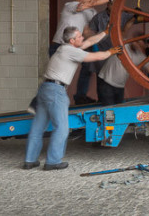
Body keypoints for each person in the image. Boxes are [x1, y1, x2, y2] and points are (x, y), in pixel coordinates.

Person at [23, 26, 121, 171]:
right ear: (72, 40)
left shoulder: (65, 49)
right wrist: (111, 52)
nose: (83, 38)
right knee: (62, 128)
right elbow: (96, 57)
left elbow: (90, 42)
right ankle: (53, 162)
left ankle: (30, 160)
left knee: (38, 127)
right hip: (56, 91)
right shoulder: (71, 52)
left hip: (45, 89)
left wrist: (105, 33)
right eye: (79, 36)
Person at [49, 0, 121, 105]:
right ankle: (52, 101)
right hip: (59, 46)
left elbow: (87, 33)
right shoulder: (70, 5)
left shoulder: (91, 12)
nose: (93, 0)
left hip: (75, 46)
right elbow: (83, 6)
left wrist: (104, 33)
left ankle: (79, 97)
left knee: (85, 68)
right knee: (57, 77)